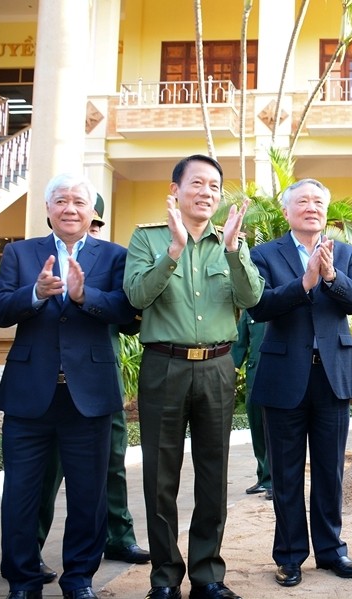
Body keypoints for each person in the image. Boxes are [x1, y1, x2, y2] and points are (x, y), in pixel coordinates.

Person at [123, 154, 263, 599]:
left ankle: (207, 576)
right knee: (160, 475)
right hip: (164, 364)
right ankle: (164, 577)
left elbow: (253, 297)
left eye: (214, 187)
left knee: (213, 472)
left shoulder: (231, 241)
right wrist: (174, 253)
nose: (206, 192)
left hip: (218, 367)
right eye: (197, 183)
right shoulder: (147, 238)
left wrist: (234, 252)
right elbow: (136, 295)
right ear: (176, 190)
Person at [0, 173, 136, 599]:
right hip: (29, 396)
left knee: (88, 496)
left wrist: (82, 295)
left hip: (87, 397)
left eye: (78, 202)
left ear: (92, 211)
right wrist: (34, 294)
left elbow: (126, 313)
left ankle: (79, 580)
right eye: (61, 201)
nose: (70, 208)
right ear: (48, 209)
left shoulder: (114, 256)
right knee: (19, 494)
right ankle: (22, 581)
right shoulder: (20, 252)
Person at [247, 178, 352, 588]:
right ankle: (289, 555)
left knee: (330, 470)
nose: (311, 207)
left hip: (332, 374)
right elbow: (260, 306)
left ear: (326, 210)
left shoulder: (347, 253)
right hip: (284, 375)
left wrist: (331, 275)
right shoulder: (264, 254)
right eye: (302, 201)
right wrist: (304, 283)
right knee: (285, 473)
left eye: (318, 201)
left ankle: (332, 550)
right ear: (287, 211)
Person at [36, 197, 150, 586]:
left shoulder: (110, 262)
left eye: (97, 222)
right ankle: (31, 549)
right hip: (53, 380)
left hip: (101, 379)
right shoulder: (41, 258)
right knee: (46, 468)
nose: (92, 227)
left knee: (112, 462)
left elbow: (130, 316)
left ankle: (118, 537)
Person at [230, 310, 272, 501]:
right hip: (255, 379)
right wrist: (229, 374)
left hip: (279, 376)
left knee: (275, 431)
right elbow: (239, 345)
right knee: (257, 428)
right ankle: (263, 477)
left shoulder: (285, 300)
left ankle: (274, 481)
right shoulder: (250, 309)